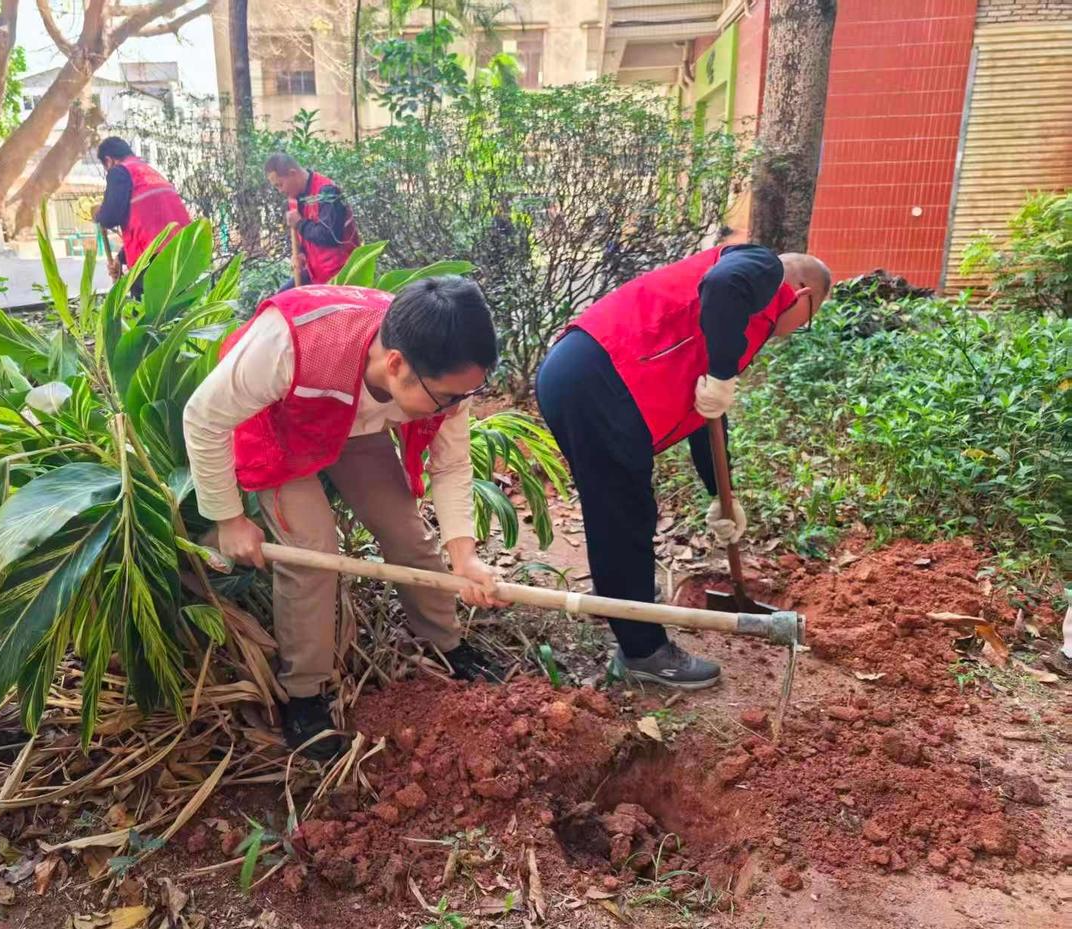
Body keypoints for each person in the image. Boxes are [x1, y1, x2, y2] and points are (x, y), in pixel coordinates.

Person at [183, 277, 505, 758]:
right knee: (312, 555)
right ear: (396, 366)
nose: (456, 407)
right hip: (286, 427)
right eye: (448, 399)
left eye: (466, 394)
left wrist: (464, 557)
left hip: (356, 428)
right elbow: (204, 416)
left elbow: (452, 462)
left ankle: (446, 643)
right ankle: (305, 695)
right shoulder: (290, 343)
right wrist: (229, 519)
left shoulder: (442, 371)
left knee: (407, 535)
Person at [536, 246, 832, 689]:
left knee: (616, 511)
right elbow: (720, 286)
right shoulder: (762, 269)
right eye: (808, 320)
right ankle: (643, 652)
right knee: (625, 516)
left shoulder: (737, 321)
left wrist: (721, 495)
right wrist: (722, 373)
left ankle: (622, 600)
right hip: (601, 377)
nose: (795, 331)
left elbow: (707, 412)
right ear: (804, 294)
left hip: (582, 374)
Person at [93, 137, 190, 299]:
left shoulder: (119, 171)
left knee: (146, 315)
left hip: (152, 261)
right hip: (182, 253)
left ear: (109, 161)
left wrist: (99, 214)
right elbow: (155, 225)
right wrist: (120, 258)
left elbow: (110, 217)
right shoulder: (149, 173)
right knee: (177, 312)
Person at [264, 152, 360, 286]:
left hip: (340, 276)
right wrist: (302, 254)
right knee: (277, 303)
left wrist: (299, 223)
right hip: (314, 273)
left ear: (293, 173)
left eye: (280, 184)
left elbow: (329, 236)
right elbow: (305, 238)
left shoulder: (327, 192)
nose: (280, 190)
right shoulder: (295, 198)